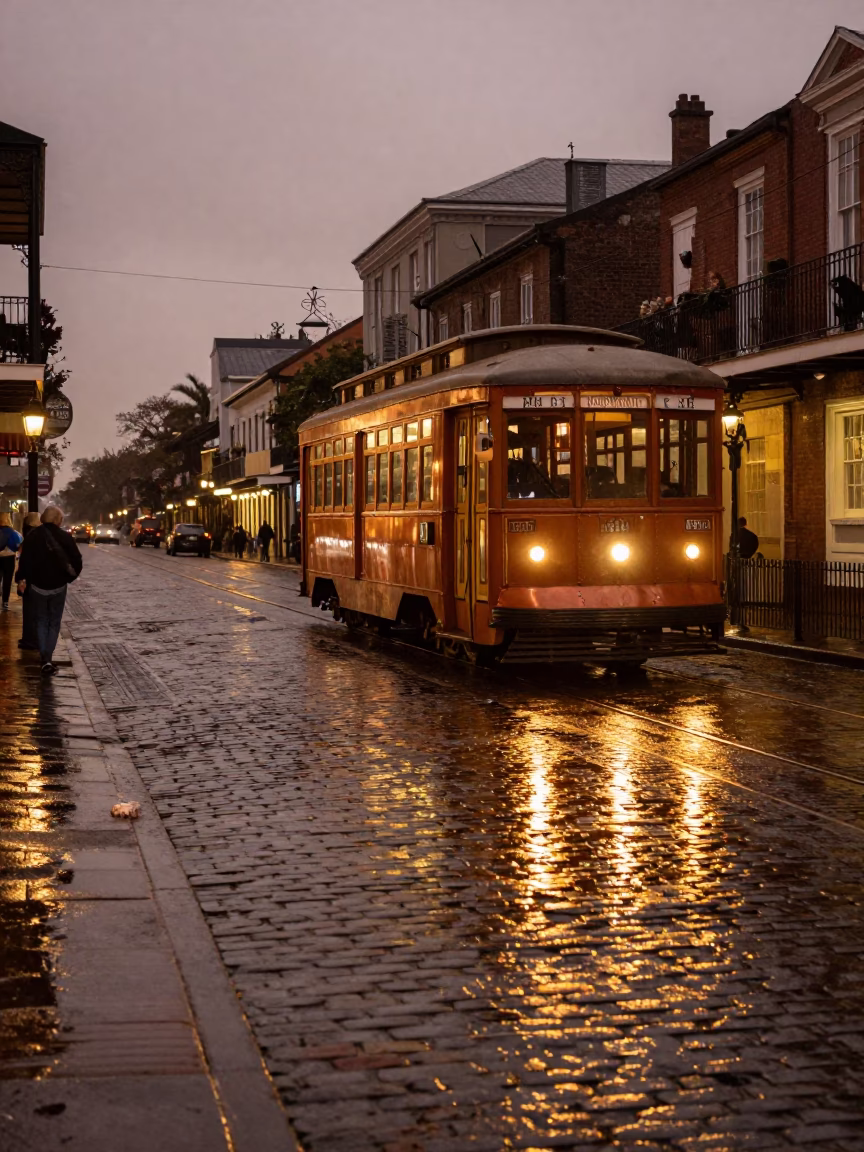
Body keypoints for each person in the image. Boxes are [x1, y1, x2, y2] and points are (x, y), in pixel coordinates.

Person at [16, 506, 83, 675]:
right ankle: (47, 658)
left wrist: (22, 579)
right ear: (57, 520)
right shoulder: (65, 537)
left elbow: (25, 561)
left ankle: (44, 658)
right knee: (54, 622)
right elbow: (77, 560)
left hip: (37, 586)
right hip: (58, 586)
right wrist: (68, 578)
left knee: (40, 620)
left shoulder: (32, 537)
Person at [17, 512, 41, 650]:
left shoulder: (30, 537)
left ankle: (30, 639)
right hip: (38, 578)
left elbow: (25, 560)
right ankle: (31, 638)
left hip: (30, 579)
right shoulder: (40, 535)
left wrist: (20, 577)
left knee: (30, 610)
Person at [0, 512, 23, 611]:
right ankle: (5, 602)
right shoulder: (13, 533)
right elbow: (18, 546)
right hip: (9, 559)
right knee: (7, 580)